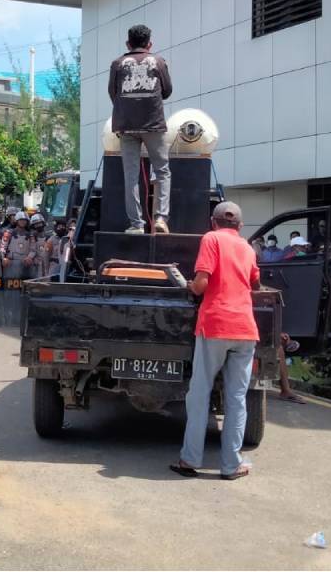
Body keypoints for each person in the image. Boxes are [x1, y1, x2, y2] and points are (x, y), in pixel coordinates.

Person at [170, 201, 258, 480]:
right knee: (236, 398)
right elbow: (254, 281)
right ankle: (232, 466)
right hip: (245, 329)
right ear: (240, 226)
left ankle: (190, 460)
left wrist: (188, 285)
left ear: (213, 222)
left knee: (199, 394)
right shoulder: (247, 247)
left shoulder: (211, 239)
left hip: (215, 324)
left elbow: (202, 283)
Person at [107, 24, 173, 235]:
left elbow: (113, 93)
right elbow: (168, 91)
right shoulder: (159, 62)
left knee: (131, 175)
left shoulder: (117, 64)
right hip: (153, 124)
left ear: (128, 43)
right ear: (149, 44)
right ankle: (161, 218)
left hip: (126, 126)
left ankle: (136, 224)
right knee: (162, 171)